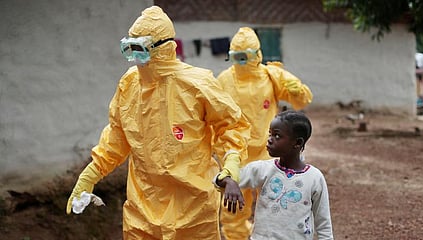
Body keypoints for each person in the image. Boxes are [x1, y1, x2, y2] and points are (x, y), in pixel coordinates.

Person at [66, 6, 250, 240]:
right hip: (143, 204)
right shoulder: (130, 83)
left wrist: (231, 167)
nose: (134, 59)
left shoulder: (197, 84)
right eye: (129, 49)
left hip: (193, 205)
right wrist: (91, 174)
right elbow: (117, 135)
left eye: (140, 50)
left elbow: (231, 126)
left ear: (162, 48)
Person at [217, 26, 313, 239]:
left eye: (245, 56)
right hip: (236, 153)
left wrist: (296, 90)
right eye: (237, 56)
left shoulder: (272, 75)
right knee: (234, 208)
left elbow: (302, 100)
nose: (241, 60)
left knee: (274, 203)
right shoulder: (223, 80)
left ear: (256, 55)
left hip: (268, 151)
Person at [216, 110, 334, 240]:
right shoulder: (262, 169)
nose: (270, 140)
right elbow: (218, 180)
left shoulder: (314, 178)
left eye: (277, 136)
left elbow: (323, 223)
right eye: (270, 134)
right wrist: (229, 181)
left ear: (298, 143)